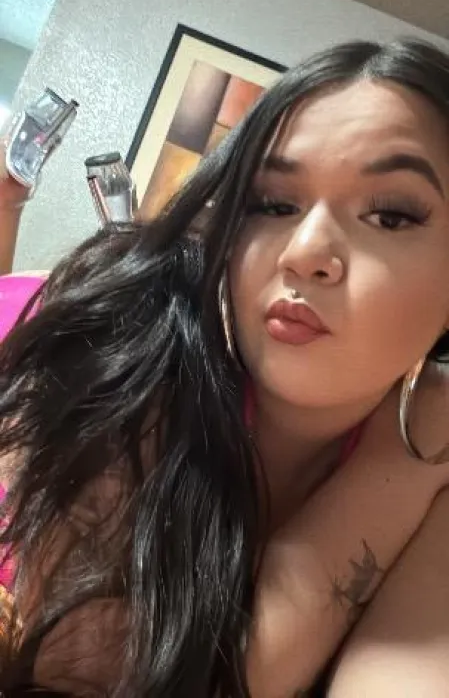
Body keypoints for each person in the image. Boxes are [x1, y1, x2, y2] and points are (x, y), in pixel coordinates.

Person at [1, 38, 449, 697]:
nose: (305, 252)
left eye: (390, 215)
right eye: (272, 204)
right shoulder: (131, 346)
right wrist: (397, 473)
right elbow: (101, 680)